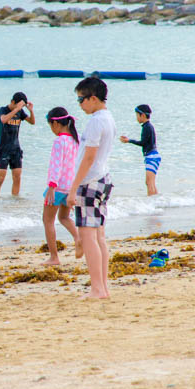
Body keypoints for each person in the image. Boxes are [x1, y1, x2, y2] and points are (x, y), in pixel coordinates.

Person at [66, 77, 116, 300]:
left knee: (89, 237)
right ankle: (102, 287)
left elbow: (88, 157)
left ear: (93, 98)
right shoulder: (108, 117)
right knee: (99, 237)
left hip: (91, 182)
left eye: (81, 99)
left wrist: (73, 187)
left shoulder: (96, 120)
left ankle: (97, 289)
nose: (79, 104)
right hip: (102, 178)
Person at [43, 107, 80, 266]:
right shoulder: (74, 140)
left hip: (57, 188)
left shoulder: (59, 141)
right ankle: (78, 238)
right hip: (70, 187)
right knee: (64, 217)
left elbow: (55, 165)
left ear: (56, 124)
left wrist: (51, 186)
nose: (51, 129)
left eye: (50, 125)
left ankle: (54, 257)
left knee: (47, 220)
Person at [0, 92, 35, 197]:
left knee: (17, 177)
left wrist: (30, 111)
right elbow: (3, 119)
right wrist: (16, 109)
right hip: (4, 149)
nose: (20, 108)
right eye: (19, 105)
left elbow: (32, 122)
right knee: (1, 178)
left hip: (16, 148)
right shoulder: (3, 110)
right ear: (12, 102)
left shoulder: (20, 112)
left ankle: (14, 201)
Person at [119, 104, 159, 196]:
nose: (136, 117)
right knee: (150, 182)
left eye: (137, 115)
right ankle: (156, 202)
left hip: (151, 156)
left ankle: (152, 203)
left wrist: (129, 140)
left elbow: (143, 143)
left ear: (143, 115)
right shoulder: (148, 126)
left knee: (149, 183)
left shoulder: (146, 127)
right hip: (153, 155)